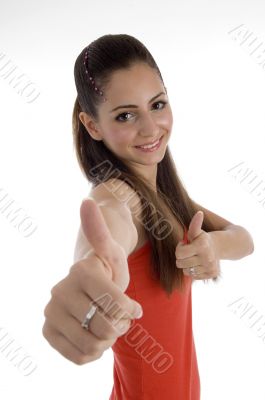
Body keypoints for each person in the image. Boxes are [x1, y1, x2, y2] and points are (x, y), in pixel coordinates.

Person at [42, 34, 254, 399]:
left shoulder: (167, 197)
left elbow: (244, 240)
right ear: (92, 126)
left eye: (157, 105)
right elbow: (107, 229)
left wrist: (213, 245)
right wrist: (92, 269)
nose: (151, 128)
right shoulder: (118, 196)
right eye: (125, 115)